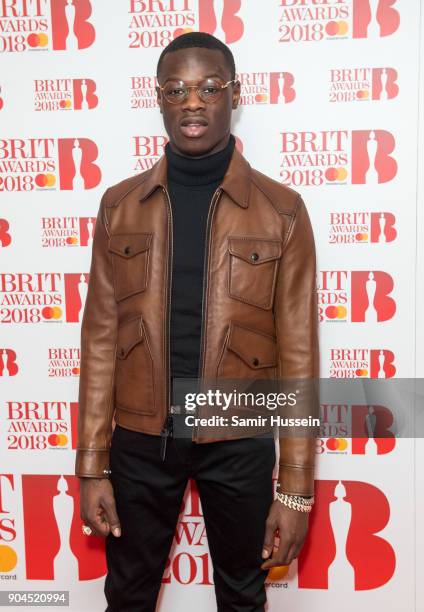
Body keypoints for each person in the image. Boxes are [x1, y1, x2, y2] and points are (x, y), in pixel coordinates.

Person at [76, 32, 319, 612]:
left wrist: (297, 489)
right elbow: (100, 342)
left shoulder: (282, 210)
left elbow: (301, 354)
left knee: (242, 596)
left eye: (209, 88)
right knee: (127, 596)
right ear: (157, 98)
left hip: (239, 436)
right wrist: (91, 465)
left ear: (234, 95)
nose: (193, 102)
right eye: (177, 89)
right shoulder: (119, 205)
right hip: (139, 439)